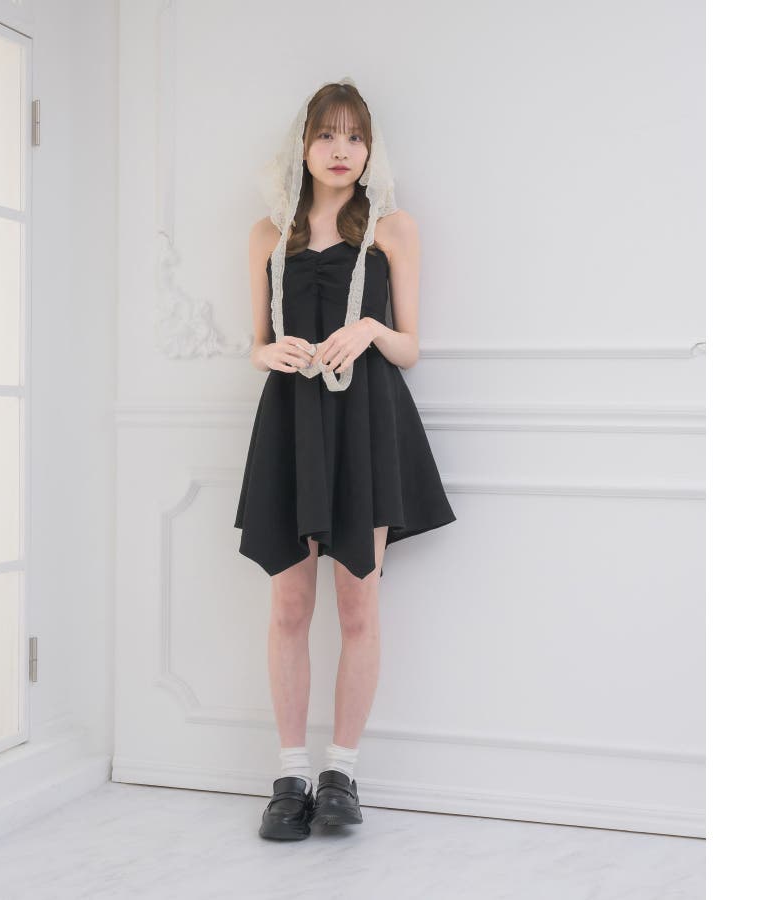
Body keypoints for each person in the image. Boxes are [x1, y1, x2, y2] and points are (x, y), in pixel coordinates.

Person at [234, 78, 457, 840]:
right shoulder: (268, 235)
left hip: (366, 425)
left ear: (369, 149)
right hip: (291, 422)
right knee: (289, 606)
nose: (340, 149)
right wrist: (270, 353)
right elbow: (256, 343)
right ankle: (290, 774)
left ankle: (342, 774)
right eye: (326, 135)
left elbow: (410, 346)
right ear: (303, 146)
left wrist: (370, 330)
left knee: (358, 606)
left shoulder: (393, 229)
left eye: (354, 136)